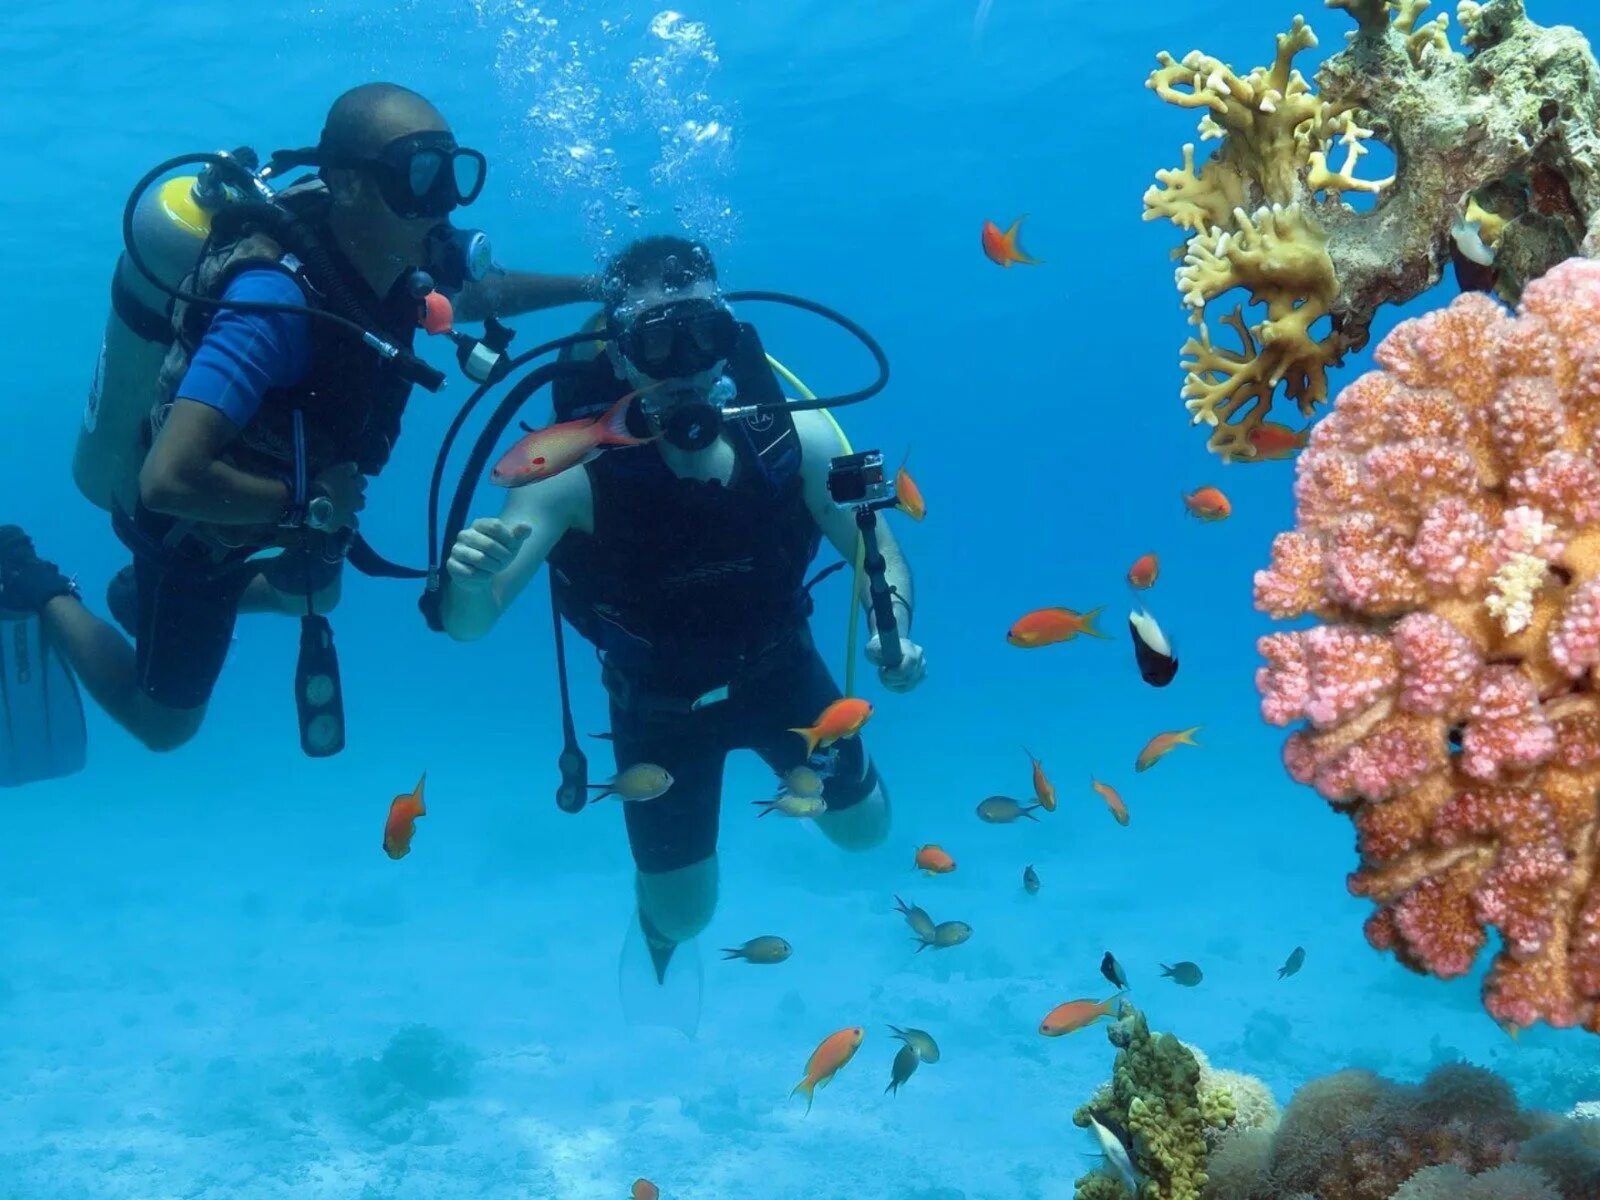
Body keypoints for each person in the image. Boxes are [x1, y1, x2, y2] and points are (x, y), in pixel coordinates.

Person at [0, 83, 597, 757]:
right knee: (165, 727)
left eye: (454, 175)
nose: (444, 204)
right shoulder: (270, 305)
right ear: (347, 185)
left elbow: (475, 293)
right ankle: (36, 583)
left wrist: (592, 288)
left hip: (292, 501)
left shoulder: (390, 250)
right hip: (197, 526)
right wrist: (309, 503)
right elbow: (165, 479)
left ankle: (140, 603)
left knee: (312, 589)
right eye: (420, 176)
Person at [439, 235, 926, 1000]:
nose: (684, 364)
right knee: (687, 913)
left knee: (868, 836)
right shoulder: (569, 469)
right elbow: (471, 624)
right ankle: (658, 930)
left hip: (784, 674)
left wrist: (891, 629)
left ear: (731, 337)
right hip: (658, 712)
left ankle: (807, 791)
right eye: (656, 342)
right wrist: (470, 585)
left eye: (704, 334)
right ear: (621, 356)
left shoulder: (792, 433)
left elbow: (879, 554)